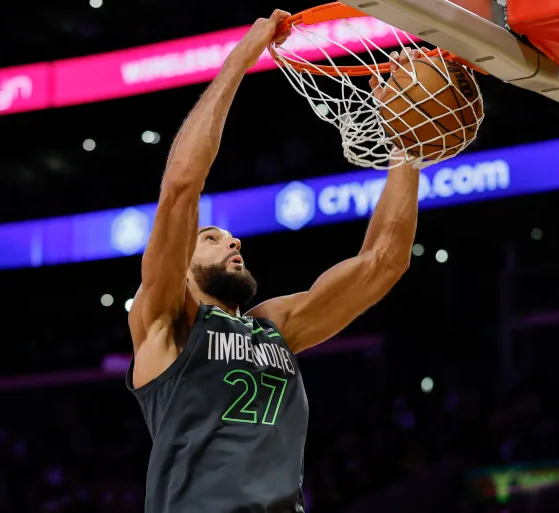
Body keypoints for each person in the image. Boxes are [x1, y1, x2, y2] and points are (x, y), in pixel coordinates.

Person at [126, 9, 419, 513]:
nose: (234, 242)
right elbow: (181, 187)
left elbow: (383, 263)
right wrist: (243, 56)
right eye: (212, 238)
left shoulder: (275, 327)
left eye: (232, 238)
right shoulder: (166, 324)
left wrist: (407, 146)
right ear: (182, 269)